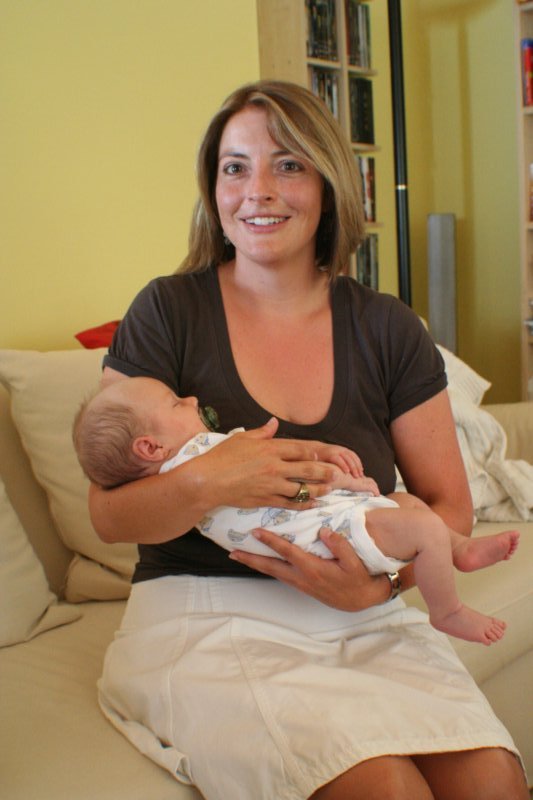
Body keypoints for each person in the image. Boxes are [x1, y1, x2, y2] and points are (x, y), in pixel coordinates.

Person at [89, 81, 527, 799]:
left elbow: (448, 508)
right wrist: (215, 477)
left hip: (364, 613)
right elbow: (108, 514)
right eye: (235, 167)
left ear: (328, 183)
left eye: (287, 164)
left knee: (493, 782)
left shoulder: (388, 328)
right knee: (385, 789)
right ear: (213, 188)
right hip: (209, 616)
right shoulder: (167, 311)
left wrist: (380, 585)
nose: (257, 190)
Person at [75, 375, 519, 645]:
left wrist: (328, 464)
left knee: (412, 508)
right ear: (150, 447)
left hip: (327, 528)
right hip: (328, 536)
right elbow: (287, 473)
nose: (191, 400)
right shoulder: (198, 455)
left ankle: (458, 548)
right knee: (422, 526)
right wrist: (340, 474)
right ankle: (447, 610)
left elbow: (280, 472)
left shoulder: (180, 475)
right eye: (176, 403)